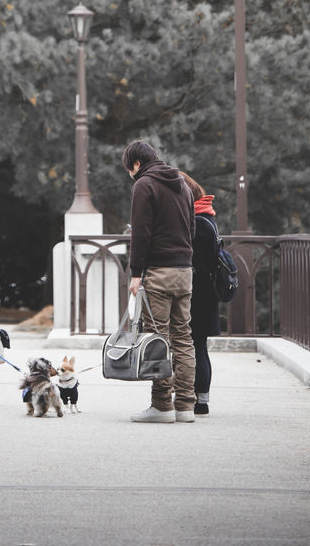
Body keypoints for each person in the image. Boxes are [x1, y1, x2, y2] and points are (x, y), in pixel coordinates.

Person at [122, 140, 196, 423]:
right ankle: (186, 406)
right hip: (184, 271)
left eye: (130, 169)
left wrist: (136, 273)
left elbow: (141, 233)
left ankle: (162, 405)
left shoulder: (144, 185)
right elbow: (191, 227)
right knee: (183, 338)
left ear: (137, 163)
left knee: (158, 338)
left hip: (159, 272)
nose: (131, 174)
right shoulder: (182, 184)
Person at [179, 171, 221, 416]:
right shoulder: (206, 216)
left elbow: (194, 259)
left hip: (198, 293)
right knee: (199, 346)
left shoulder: (197, 222)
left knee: (195, 346)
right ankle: (200, 398)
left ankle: (200, 399)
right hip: (206, 292)